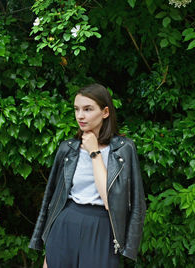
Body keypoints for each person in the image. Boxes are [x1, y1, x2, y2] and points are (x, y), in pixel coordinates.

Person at [29, 83, 146, 268]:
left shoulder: (124, 150)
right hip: (66, 224)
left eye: (88, 109)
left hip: (102, 228)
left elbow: (113, 201)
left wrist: (94, 152)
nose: (80, 116)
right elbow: (51, 198)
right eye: (77, 109)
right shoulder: (68, 149)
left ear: (105, 112)